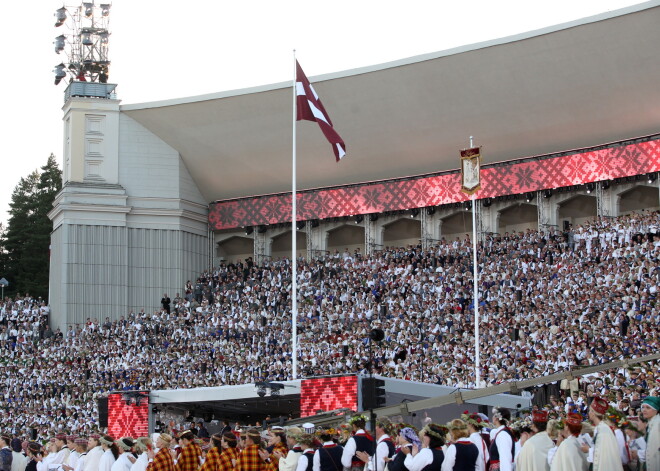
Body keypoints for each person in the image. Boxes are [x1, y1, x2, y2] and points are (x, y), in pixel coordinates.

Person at [588, 397, 623, 471]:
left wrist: (588, 450)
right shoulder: (600, 428)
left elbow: (603, 455)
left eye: (590, 411)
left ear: (593, 413)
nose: (589, 413)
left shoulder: (603, 430)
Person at [640, 396, 660, 471]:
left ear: (656, 409)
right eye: (643, 407)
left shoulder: (658, 423)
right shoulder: (652, 423)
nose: (644, 410)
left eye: (648, 408)